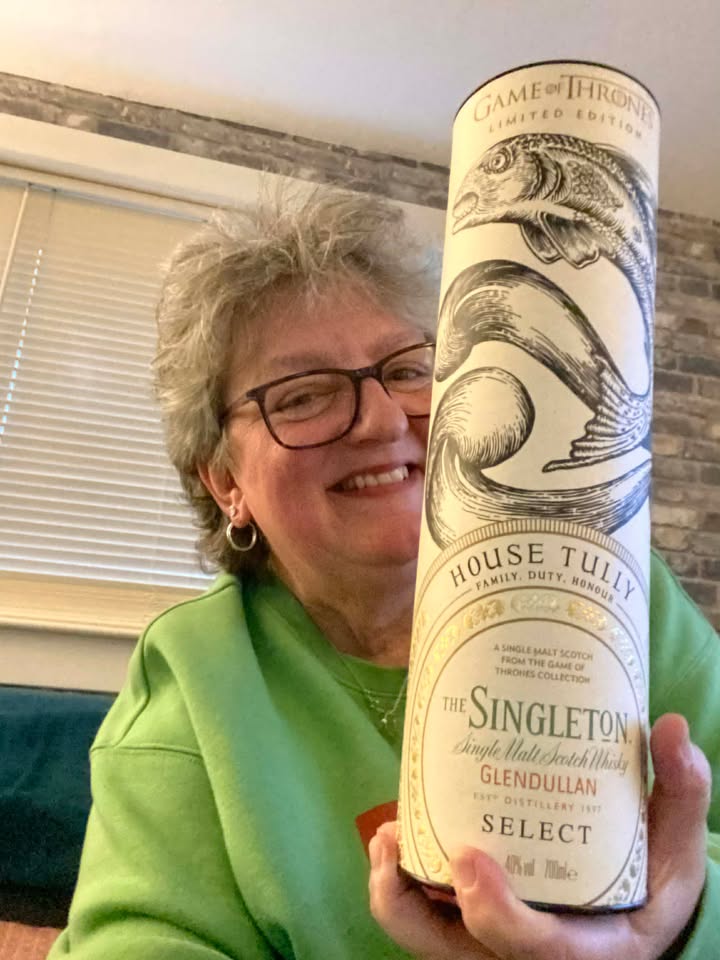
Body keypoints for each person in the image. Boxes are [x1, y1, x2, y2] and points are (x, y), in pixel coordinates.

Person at [49, 186, 720, 959]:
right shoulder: (201, 673)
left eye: (407, 370)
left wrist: (678, 930)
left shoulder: (615, 591)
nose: (382, 419)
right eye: (302, 395)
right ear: (225, 480)